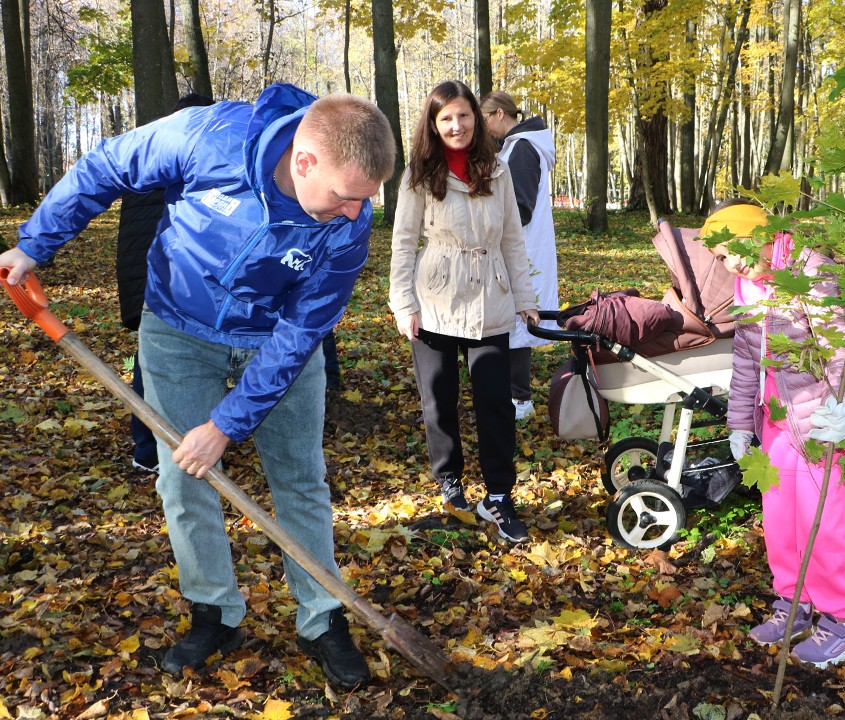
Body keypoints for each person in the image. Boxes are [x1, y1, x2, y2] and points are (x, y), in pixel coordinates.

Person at [1, 83, 396, 687]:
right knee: (182, 479)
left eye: (363, 200)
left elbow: (299, 336)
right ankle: (213, 611)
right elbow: (109, 165)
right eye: (346, 196)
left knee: (300, 480)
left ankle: (322, 616)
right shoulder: (211, 138)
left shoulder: (348, 225)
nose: (354, 211)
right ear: (304, 159)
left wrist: (226, 425)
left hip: (273, 345)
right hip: (179, 329)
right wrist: (36, 243)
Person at [701, 201, 845, 668]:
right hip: (778, 419)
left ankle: (840, 623)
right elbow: (744, 361)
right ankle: (795, 605)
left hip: (825, 421)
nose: (732, 261)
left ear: (758, 233)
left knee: (824, 525)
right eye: (721, 257)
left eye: (735, 248)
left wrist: (843, 407)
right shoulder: (747, 286)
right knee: (781, 522)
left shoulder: (809, 270)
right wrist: (740, 422)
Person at [389, 80, 539, 543]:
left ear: (477, 117)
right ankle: (450, 482)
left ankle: (498, 495)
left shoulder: (497, 169)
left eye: (464, 115)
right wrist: (403, 303)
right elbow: (402, 242)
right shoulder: (419, 172)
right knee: (439, 401)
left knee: (495, 402)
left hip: (489, 298)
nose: (456, 125)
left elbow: (512, 238)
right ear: (434, 125)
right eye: (446, 118)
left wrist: (525, 298)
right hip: (435, 301)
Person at [117, 93, 215, 475]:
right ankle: (154, 448)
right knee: (163, 366)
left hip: (148, 280)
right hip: (171, 284)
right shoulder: (195, 164)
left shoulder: (147, 157)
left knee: (150, 364)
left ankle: (150, 448)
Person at [478, 91, 559, 421]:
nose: (482, 129)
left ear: (499, 114)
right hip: (514, 245)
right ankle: (512, 395)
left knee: (518, 323)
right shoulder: (515, 146)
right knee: (510, 321)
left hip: (521, 247)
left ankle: (520, 400)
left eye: (482, 120)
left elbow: (520, 207)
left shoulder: (523, 149)